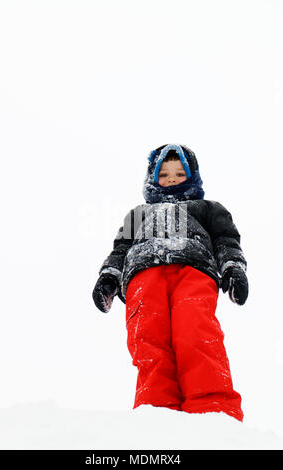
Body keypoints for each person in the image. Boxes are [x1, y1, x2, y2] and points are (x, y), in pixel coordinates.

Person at [92, 143, 248, 422]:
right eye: (164, 174)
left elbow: (226, 240)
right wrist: (109, 276)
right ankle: (157, 415)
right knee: (149, 341)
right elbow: (120, 249)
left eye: (179, 173)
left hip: (193, 270)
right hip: (143, 275)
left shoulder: (208, 209)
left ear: (192, 177)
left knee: (196, 333)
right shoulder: (137, 214)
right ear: (152, 179)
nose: (172, 179)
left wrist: (233, 268)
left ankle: (213, 411)